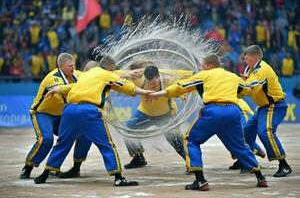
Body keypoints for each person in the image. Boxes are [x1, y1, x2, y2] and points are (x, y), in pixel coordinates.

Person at [149, 54, 268, 191]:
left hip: (213, 112)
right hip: (233, 111)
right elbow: (247, 89)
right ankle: (260, 177)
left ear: (210, 66)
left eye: (203, 66)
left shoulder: (203, 75)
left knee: (190, 139)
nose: (201, 68)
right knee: (240, 145)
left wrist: (159, 94)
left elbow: (181, 86)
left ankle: (200, 180)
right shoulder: (232, 76)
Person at [33, 56, 154, 186]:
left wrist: (60, 89)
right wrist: (145, 92)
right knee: (106, 145)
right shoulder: (108, 74)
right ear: (111, 68)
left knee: (62, 144)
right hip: (89, 111)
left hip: (69, 110)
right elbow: (126, 85)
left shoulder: (87, 74)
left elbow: (74, 86)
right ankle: (118, 178)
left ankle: (44, 175)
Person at [58, 61, 192, 178]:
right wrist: (128, 74)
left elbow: (186, 78)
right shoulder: (138, 79)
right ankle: (138, 158)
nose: (152, 85)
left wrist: (183, 94)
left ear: (159, 77)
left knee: (175, 140)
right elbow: (110, 74)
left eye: (155, 82)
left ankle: (190, 163)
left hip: (167, 114)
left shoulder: (168, 79)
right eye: (149, 82)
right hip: (144, 113)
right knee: (128, 131)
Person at [20, 53, 82, 179]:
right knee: (46, 139)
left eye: (74, 65)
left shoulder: (74, 75)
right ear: (62, 66)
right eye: (70, 66)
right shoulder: (52, 78)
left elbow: (96, 76)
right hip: (42, 113)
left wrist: (124, 74)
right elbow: (63, 91)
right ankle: (28, 167)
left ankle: (54, 167)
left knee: (69, 136)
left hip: (59, 115)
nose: (73, 68)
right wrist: (82, 86)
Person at [242, 45, 292, 177]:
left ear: (255, 57)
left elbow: (252, 87)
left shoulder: (262, 69)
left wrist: (235, 86)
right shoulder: (252, 70)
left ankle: (284, 165)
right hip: (264, 108)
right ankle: (246, 162)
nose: (244, 61)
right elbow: (248, 86)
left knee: (265, 132)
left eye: (246, 58)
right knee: (245, 133)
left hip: (274, 106)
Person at [229, 99, 266, 170]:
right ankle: (241, 160)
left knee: (244, 135)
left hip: (242, 111)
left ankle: (253, 162)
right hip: (233, 111)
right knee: (230, 135)